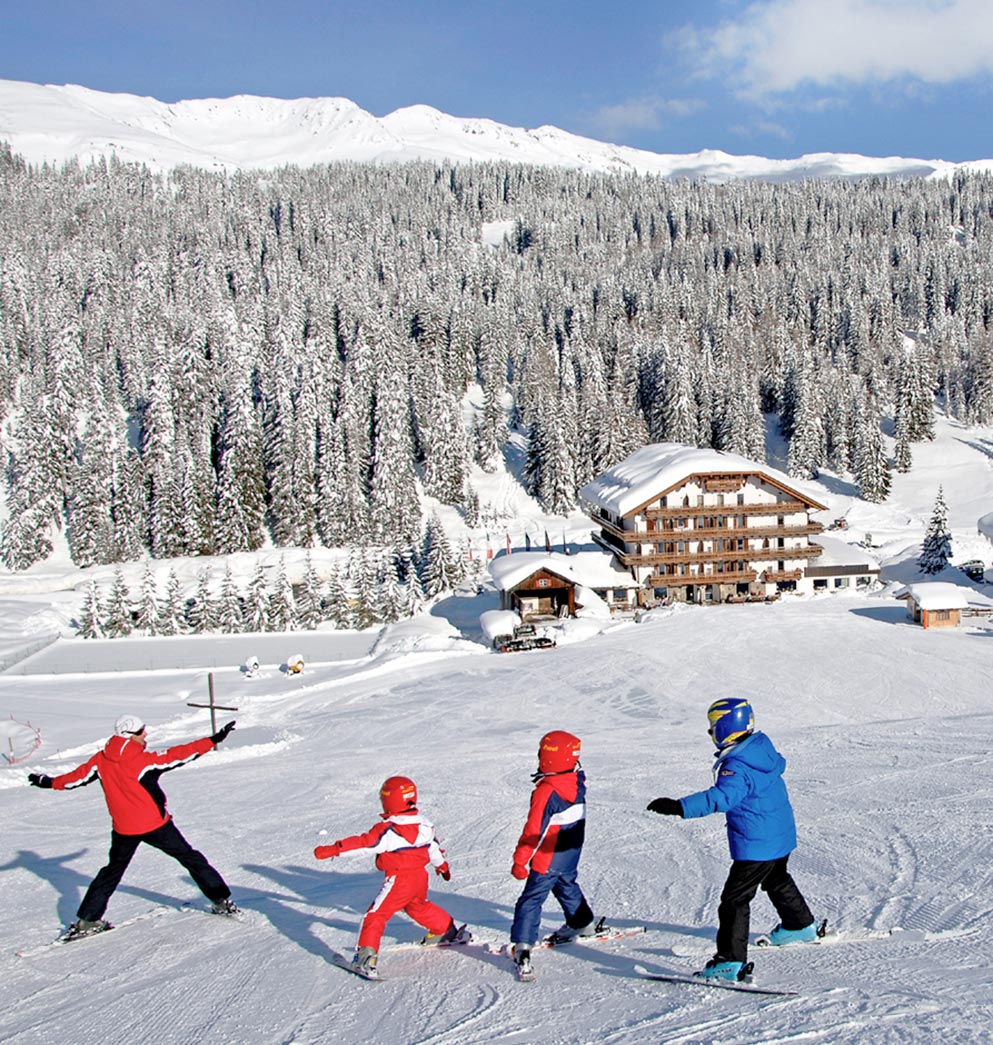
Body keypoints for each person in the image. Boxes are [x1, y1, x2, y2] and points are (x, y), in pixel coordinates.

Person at [647, 698, 817, 981]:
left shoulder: (737, 766)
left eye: (713, 726)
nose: (710, 732)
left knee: (734, 899)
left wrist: (679, 807)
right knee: (776, 878)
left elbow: (722, 798)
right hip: (779, 834)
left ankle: (730, 961)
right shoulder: (760, 750)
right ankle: (799, 924)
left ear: (726, 728)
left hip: (757, 843)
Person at [27, 714, 239, 939]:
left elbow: (74, 779)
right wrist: (213, 739)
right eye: (142, 731)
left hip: (124, 829)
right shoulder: (144, 761)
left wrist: (47, 782)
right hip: (156, 825)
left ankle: (87, 921)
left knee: (111, 872)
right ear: (130, 735)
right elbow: (179, 754)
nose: (145, 734)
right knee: (190, 857)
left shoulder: (101, 760)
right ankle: (221, 900)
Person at [314, 775, 465, 979]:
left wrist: (333, 850)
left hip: (399, 879)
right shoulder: (425, 825)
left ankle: (366, 957)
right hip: (420, 877)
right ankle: (445, 929)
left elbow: (364, 844)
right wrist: (442, 866)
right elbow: (433, 848)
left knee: (376, 915)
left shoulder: (388, 831)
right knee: (417, 905)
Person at [509, 730, 596, 980]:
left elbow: (534, 830)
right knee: (566, 885)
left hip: (547, 857)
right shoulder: (577, 783)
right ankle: (582, 923)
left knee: (531, 899)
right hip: (569, 853)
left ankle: (523, 947)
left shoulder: (547, 791)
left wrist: (520, 860)